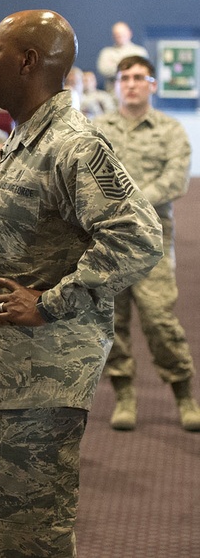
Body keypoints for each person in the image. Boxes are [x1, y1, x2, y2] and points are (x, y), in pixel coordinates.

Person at [0, 10, 162, 557]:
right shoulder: (25, 137)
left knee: (29, 542)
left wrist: (53, 303)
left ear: (27, 62)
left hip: (36, 382)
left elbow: (138, 237)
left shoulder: (75, 146)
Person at [93, 55, 200, 431]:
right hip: (109, 239)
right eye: (125, 78)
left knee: (159, 319)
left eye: (139, 77)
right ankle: (124, 394)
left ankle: (184, 392)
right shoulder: (98, 129)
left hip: (153, 239)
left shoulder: (170, 129)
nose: (132, 84)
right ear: (117, 85)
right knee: (113, 321)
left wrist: (132, 200)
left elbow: (177, 179)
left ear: (152, 84)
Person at [96, 21, 149, 90]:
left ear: (129, 33)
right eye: (117, 34)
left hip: (135, 91)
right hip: (112, 93)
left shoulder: (140, 52)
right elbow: (104, 70)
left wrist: (117, 65)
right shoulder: (106, 53)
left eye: (122, 34)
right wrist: (130, 66)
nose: (119, 36)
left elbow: (143, 71)